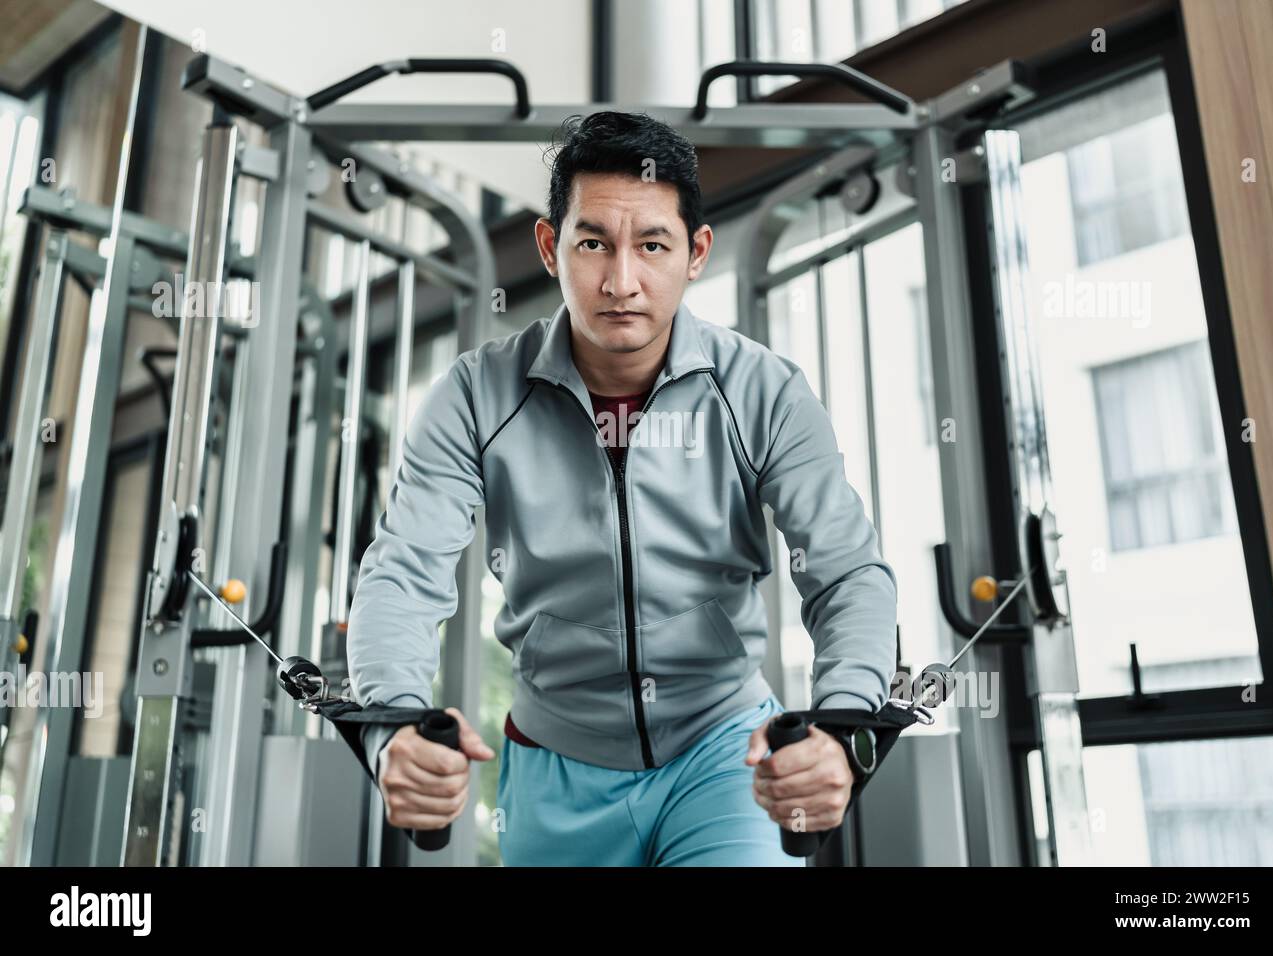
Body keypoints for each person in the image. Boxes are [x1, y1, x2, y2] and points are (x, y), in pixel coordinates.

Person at [346, 110, 897, 866]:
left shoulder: (764, 392)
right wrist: (393, 726)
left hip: (723, 751)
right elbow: (404, 574)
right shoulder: (475, 396)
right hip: (554, 767)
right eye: (593, 243)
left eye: (652, 245)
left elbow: (846, 572)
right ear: (551, 247)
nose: (621, 281)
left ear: (696, 253)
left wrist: (844, 729)